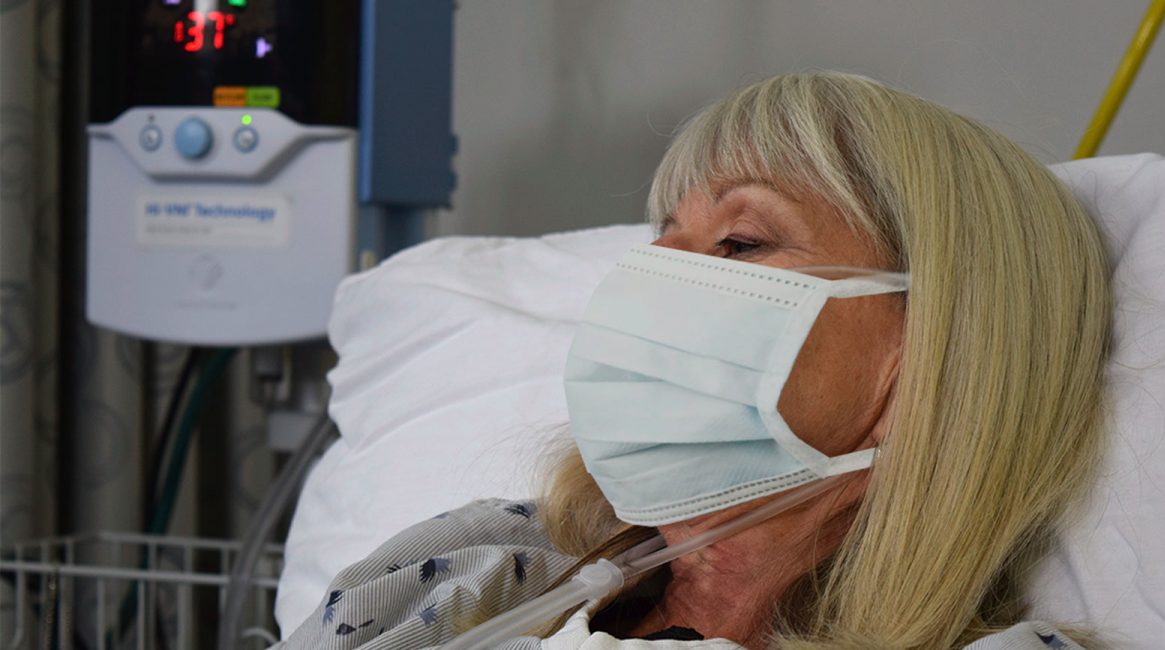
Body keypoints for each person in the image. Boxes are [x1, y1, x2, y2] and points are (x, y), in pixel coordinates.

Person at [275, 71, 1111, 649]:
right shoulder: (474, 565)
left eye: (740, 241)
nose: (650, 287)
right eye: (661, 246)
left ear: (934, 343)